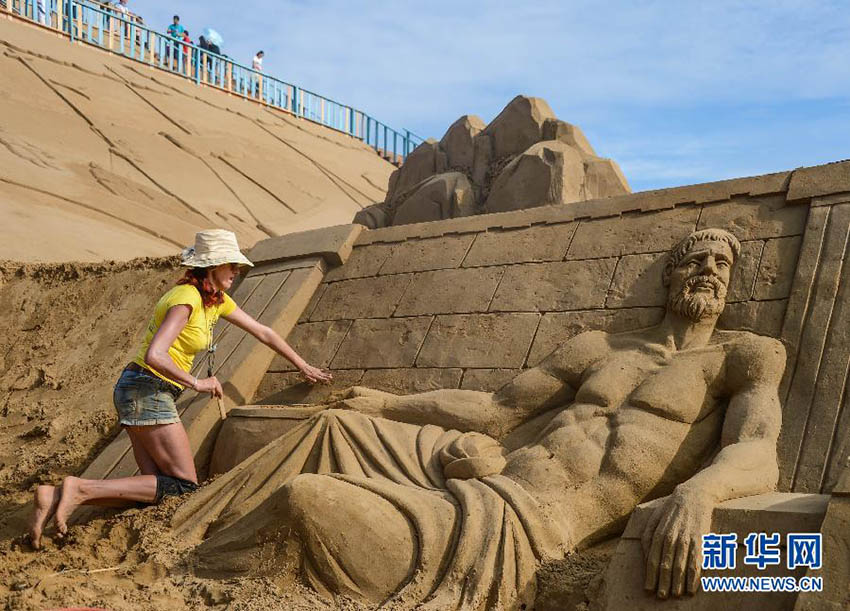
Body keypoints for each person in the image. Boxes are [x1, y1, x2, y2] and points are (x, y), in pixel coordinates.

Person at [171, 228, 785, 608]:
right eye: (694, 260)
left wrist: (699, 496)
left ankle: (176, 570)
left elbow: (758, 447)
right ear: (670, 275)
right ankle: (175, 535)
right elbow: (498, 410)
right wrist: (386, 404)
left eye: (720, 264)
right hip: (488, 482)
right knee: (336, 428)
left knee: (305, 500)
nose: (707, 271)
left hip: (530, 528)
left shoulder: (742, 357)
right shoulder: (600, 347)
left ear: (732, 284)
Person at [28, 229, 332, 549]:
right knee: (184, 486)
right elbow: (155, 354)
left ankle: (54, 495)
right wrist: (198, 383)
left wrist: (303, 365)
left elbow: (263, 332)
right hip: (148, 388)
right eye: (230, 264)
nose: (236, 271)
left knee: (154, 490)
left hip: (139, 389)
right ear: (211, 266)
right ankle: (80, 489)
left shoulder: (214, 301)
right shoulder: (186, 298)